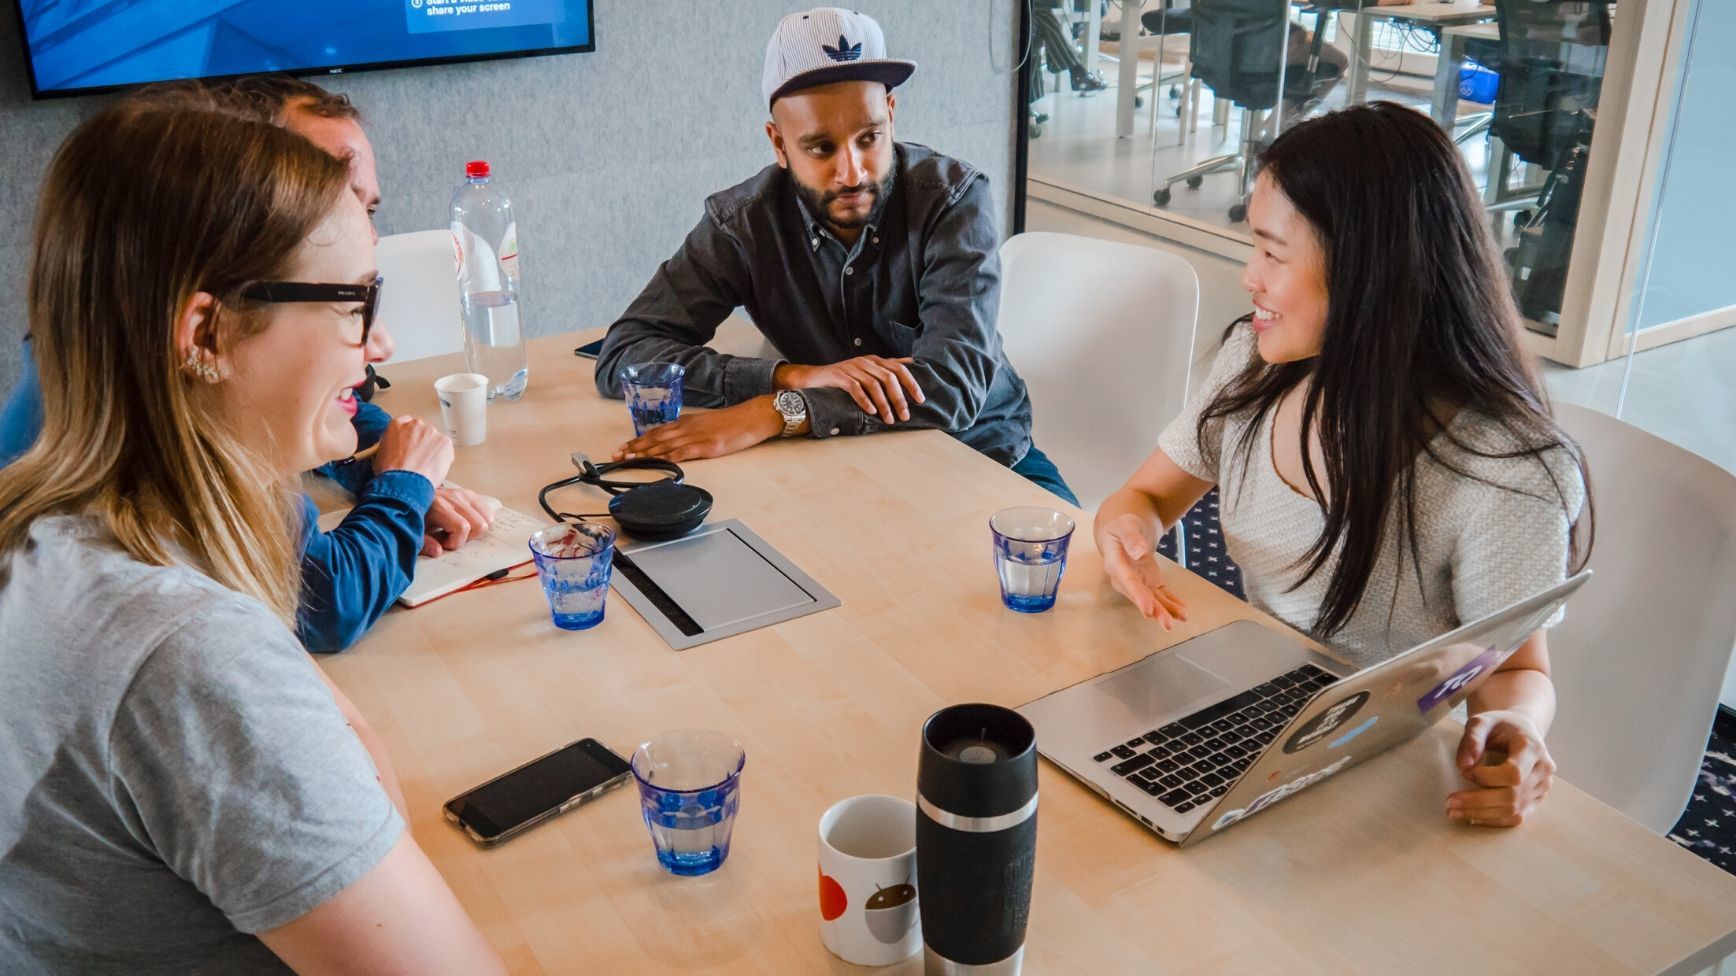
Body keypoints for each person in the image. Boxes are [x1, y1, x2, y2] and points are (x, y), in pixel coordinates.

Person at [0, 102, 504, 973]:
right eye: (355, 302)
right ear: (206, 334)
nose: (377, 343)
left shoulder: (48, 527)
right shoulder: (187, 656)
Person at [1094, 103, 1591, 829]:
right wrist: (1126, 537)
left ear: (1365, 269)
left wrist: (1518, 731)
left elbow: (1514, 669)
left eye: (1272, 252)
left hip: (1382, 768)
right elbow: (1143, 496)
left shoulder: (1501, 469)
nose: (1248, 276)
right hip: (1252, 713)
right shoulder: (1253, 368)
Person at [0, 76, 493, 652]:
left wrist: (380, 465)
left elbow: (345, 409)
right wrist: (401, 488)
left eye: (363, 203)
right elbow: (323, 602)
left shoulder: (105, 391)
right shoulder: (179, 616)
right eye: (318, 186)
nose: (378, 345)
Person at [594, 7, 1076, 505]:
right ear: (779, 144)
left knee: (1090, 576)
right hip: (837, 467)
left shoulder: (953, 200)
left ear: (891, 113)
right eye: (821, 148)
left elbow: (952, 387)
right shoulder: (743, 223)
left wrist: (778, 409)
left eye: (869, 138)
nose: (852, 172)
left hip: (981, 452)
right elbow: (626, 352)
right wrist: (787, 376)